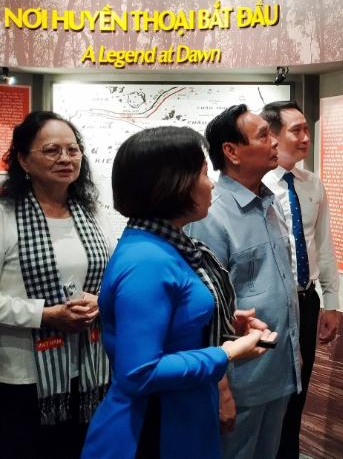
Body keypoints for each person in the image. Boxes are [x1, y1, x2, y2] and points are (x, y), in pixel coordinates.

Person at [82, 126, 276, 459]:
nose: (211, 184)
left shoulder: (167, 245)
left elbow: (171, 322)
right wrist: (226, 353)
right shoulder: (147, 260)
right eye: (202, 174)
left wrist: (221, 324)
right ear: (171, 184)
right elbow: (138, 373)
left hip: (180, 417)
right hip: (152, 428)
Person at [185, 105, 302, 459]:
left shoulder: (270, 202)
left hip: (278, 368)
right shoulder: (211, 214)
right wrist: (221, 390)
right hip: (240, 379)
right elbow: (204, 311)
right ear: (231, 151)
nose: (274, 141)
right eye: (263, 135)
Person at [0, 111, 115, 459]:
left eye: (72, 149)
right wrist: (44, 314)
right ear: (23, 160)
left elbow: (112, 275)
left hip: (89, 370)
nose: (65, 158)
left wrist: (100, 301)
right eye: (51, 150)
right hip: (23, 377)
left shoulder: (92, 212)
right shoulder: (5, 215)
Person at [260, 101, 340, 459]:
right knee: (268, 400)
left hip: (307, 302)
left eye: (307, 129)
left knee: (298, 396)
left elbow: (324, 245)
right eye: (297, 130)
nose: (306, 137)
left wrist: (331, 301)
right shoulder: (256, 187)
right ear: (274, 136)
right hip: (271, 307)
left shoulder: (312, 184)